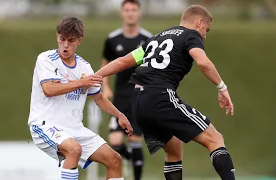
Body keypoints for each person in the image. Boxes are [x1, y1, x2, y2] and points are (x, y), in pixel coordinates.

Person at [96, 5, 236, 180]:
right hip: (159, 97)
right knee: (215, 139)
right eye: (206, 30)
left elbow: (123, 61)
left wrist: (95, 76)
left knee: (174, 149)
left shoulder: (158, 37)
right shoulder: (190, 35)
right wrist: (222, 87)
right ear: (199, 22)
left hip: (138, 101)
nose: (205, 35)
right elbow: (204, 63)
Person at [28, 16, 133, 180]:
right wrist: (81, 82)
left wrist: (119, 115)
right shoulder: (46, 59)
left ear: (79, 41)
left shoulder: (84, 67)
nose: (65, 45)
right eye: (62, 39)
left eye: (71, 41)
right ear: (57, 36)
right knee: (74, 149)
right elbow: (49, 89)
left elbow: (98, 98)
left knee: (114, 160)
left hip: (74, 129)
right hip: (45, 124)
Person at [101, 0, 152, 179]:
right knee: (114, 141)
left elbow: (154, 67)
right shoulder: (113, 39)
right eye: (127, 10)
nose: (130, 13)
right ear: (122, 13)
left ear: (139, 13)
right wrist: (105, 86)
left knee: (135, 140)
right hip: (119, 97)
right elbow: (106, 64)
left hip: (139, 98)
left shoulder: (148, 39)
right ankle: (127, 157)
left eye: (134, 10)